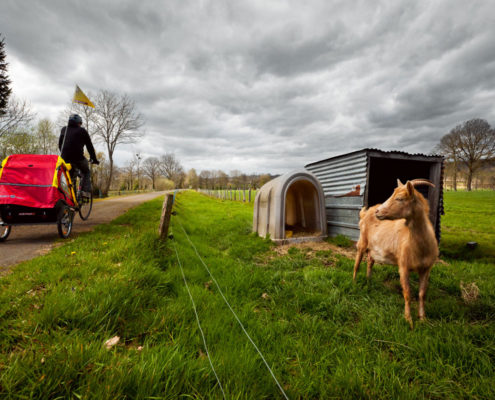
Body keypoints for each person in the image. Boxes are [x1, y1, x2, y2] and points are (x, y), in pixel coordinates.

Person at [59, 114, 99, 197]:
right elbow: (89, 146)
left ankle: (72, 200)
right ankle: (84, 191)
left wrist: (65, 155)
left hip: (64, 159)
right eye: (80, 123)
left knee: (70, 179)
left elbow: (60, 144)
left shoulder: (64, 129)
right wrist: (94, 159)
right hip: (78, 158)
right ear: (78, 123)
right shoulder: (82, 131)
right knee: (86, 171)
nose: (80, 125)